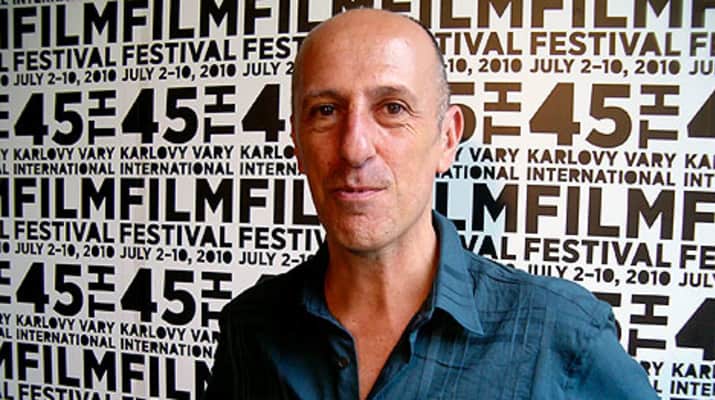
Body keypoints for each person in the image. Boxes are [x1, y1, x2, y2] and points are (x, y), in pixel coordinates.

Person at [203, 8, 659, 400]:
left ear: (447, 139)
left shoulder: (562, 336)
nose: (354, 148)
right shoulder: (251, 328)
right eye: (326, 110)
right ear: (297, 144)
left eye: (393, 108)